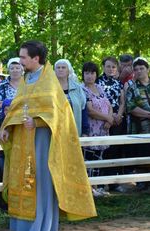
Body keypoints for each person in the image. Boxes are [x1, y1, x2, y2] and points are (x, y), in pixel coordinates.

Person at [0, 40, 96, 231]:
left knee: (41, 180)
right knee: (24, 179)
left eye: (24, 57)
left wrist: (37, 122)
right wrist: (7, 126)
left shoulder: (49, 80)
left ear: (36, 58)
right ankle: (22, 226)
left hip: (43, 140)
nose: (20, 60)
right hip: (23, 140)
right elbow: (17, 107)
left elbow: (58, 116)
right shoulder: (27, 79)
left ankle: (41, 228)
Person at [82, 61, 113, 197]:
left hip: (104, 129)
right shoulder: (82, 89)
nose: (89, 76)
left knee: (100, 159)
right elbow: (90, 111)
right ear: (83, 74)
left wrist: (110, 119)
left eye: (92, 73)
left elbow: (109, 105)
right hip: (91, 130)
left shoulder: (99, 87)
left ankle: (98, 187)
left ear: (96, 74)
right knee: (90, 158)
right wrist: (107, 118)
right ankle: (90, 188)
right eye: (87, 73)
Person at [96, 57, 126, 192]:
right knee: (104, 151)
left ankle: (114, 183)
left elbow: (122, 102)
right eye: (108, 66)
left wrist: (118, 115)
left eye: (113, 67)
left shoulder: (119, 83)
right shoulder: (97, 82)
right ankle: (101, 184)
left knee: (115, 151)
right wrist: (109, 118)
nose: (111, 69)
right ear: (103, 67)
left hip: (117, 121)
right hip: (102, 121)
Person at [54, 59, 89, 136]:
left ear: (68, 71)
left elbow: (83, 110)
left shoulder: (77, 88)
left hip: (74, 130)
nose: (60, 69)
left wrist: (85, 131)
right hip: (55, 131)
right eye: (58, 67)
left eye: (63, 67)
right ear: (54, 71)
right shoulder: (50, 88)